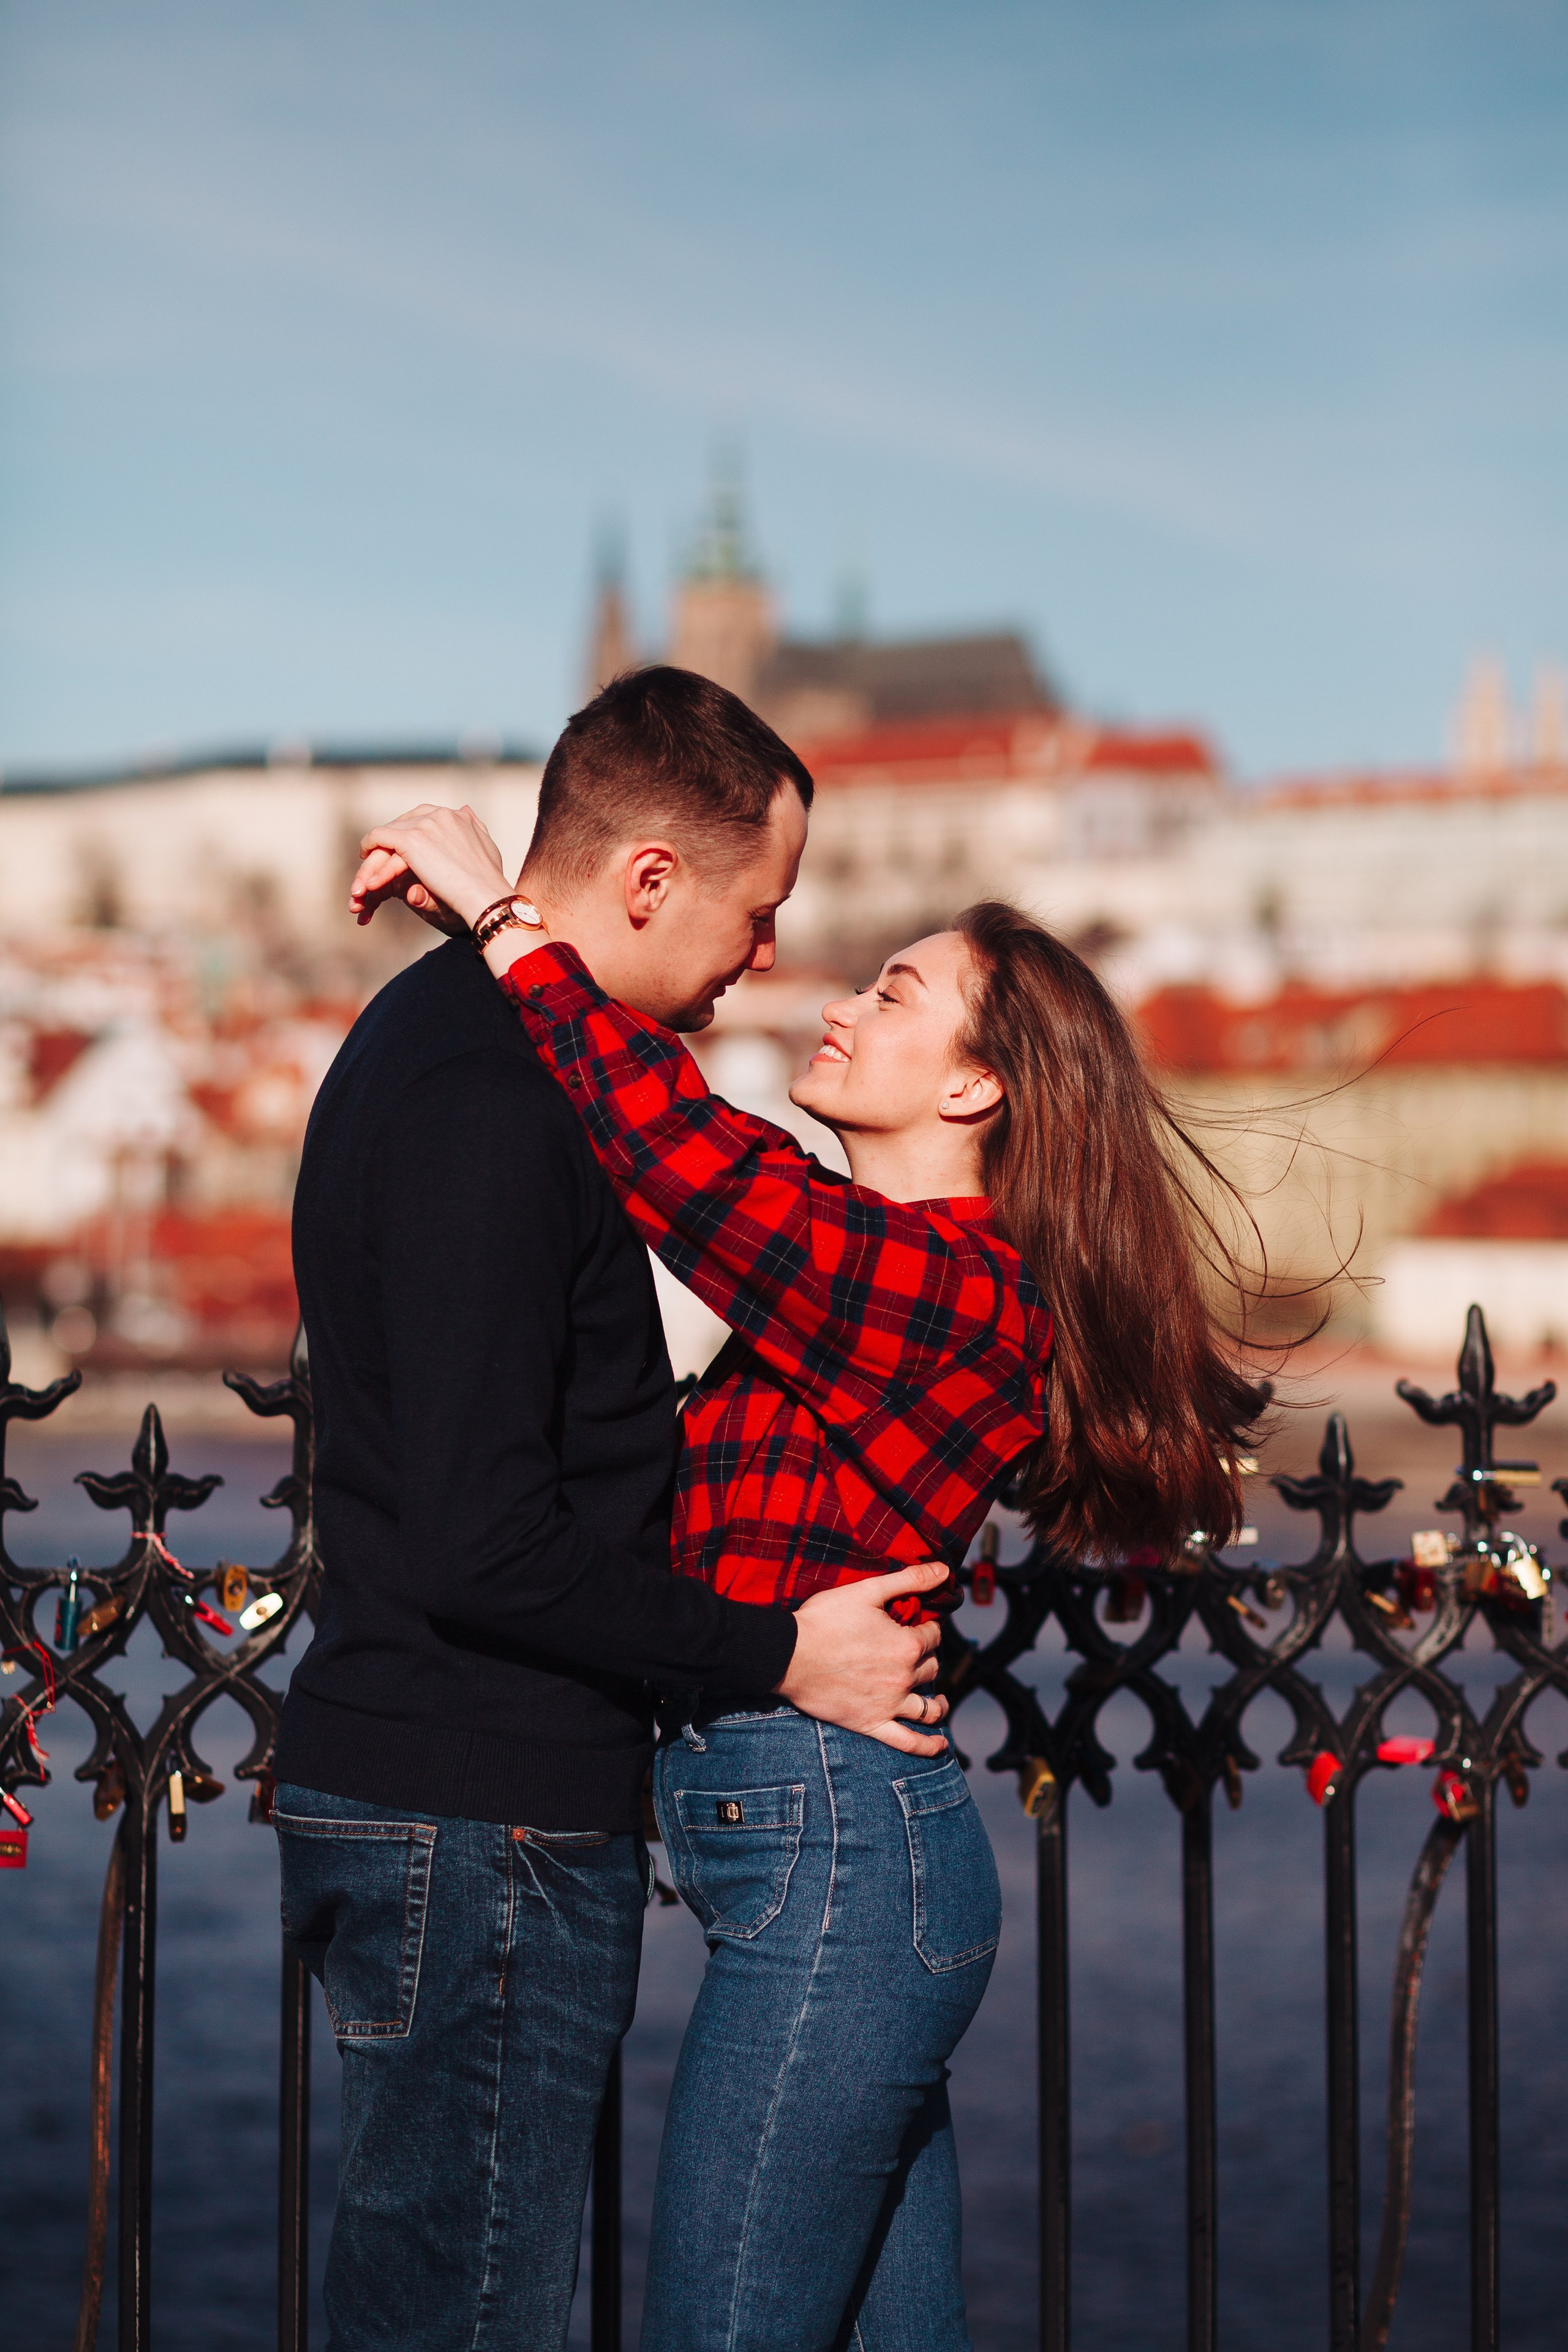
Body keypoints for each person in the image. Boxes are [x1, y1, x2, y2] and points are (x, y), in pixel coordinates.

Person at [352, 764, 1269, 2352]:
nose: (839, 1002)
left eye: (895, 993)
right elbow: (688, 1157)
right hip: (825, 1864)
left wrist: (511, 923)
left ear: (977, 1090)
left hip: (843, 1870)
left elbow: (684, 1157)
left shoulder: (952, 1285)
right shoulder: (860, 1280)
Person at [275, 668, 952, 2352]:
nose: (767, 956)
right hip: (481, 1814)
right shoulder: (495, 1095)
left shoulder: (460, 1041)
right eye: (758, 910)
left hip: (443, 1799)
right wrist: (778, 1653)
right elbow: (487, 1539)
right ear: (651, 879)